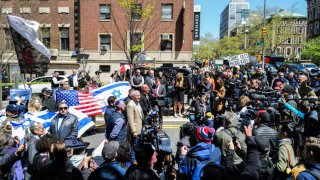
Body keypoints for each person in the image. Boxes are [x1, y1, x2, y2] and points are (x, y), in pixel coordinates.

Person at [126, 90, 143, 164]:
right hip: (135, 129)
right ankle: (133, 160)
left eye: (139, 95)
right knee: (133, 144)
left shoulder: (137, 102)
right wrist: (134, 131)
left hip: (139, 128)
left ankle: (135, 157)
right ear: (133, 97)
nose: (139, 97)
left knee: (137, 144)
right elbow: (130, 119)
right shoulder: (130, 105)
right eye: (137, 95)